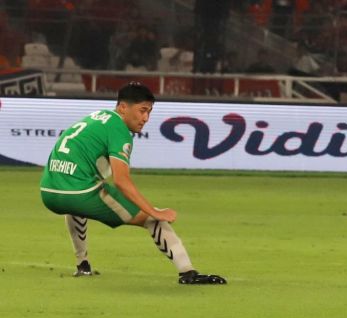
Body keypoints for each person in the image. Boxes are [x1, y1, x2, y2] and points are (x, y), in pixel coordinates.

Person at [39, 82, 227, 285]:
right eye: (142, 110)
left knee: (74, 204)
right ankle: (188, 273)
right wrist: (153, 211)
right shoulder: (119, 129)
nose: (146, 118)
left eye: (149, 112)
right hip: (79, 193)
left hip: (48, 191)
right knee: (152, 219)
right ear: (122, 108)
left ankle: (82, 264)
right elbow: (121, 181)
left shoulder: (97, 117)